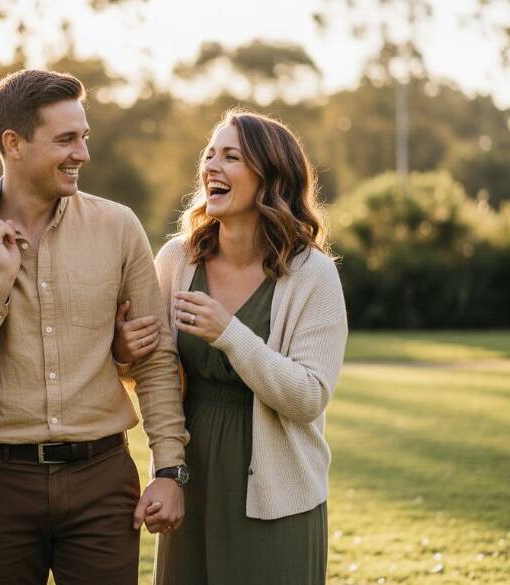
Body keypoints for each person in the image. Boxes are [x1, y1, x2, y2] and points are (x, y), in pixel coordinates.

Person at [0, 69, 189, 585]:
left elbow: (154, 359)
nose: (83, 154)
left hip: (101, 481)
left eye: (84, 137)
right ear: (14, 143)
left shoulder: (118, 229)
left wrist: (169, 472)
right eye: (66, 139)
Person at [113, 109, 347, 584]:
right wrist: (123, 351)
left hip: (277, 494)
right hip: (190, 477)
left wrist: (230, 334)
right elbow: (152, 371)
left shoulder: (313, 274)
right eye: (209, 154)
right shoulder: (177, 259)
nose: (211, 167)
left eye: (231, 156)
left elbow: (308, 398)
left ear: (270, 176)